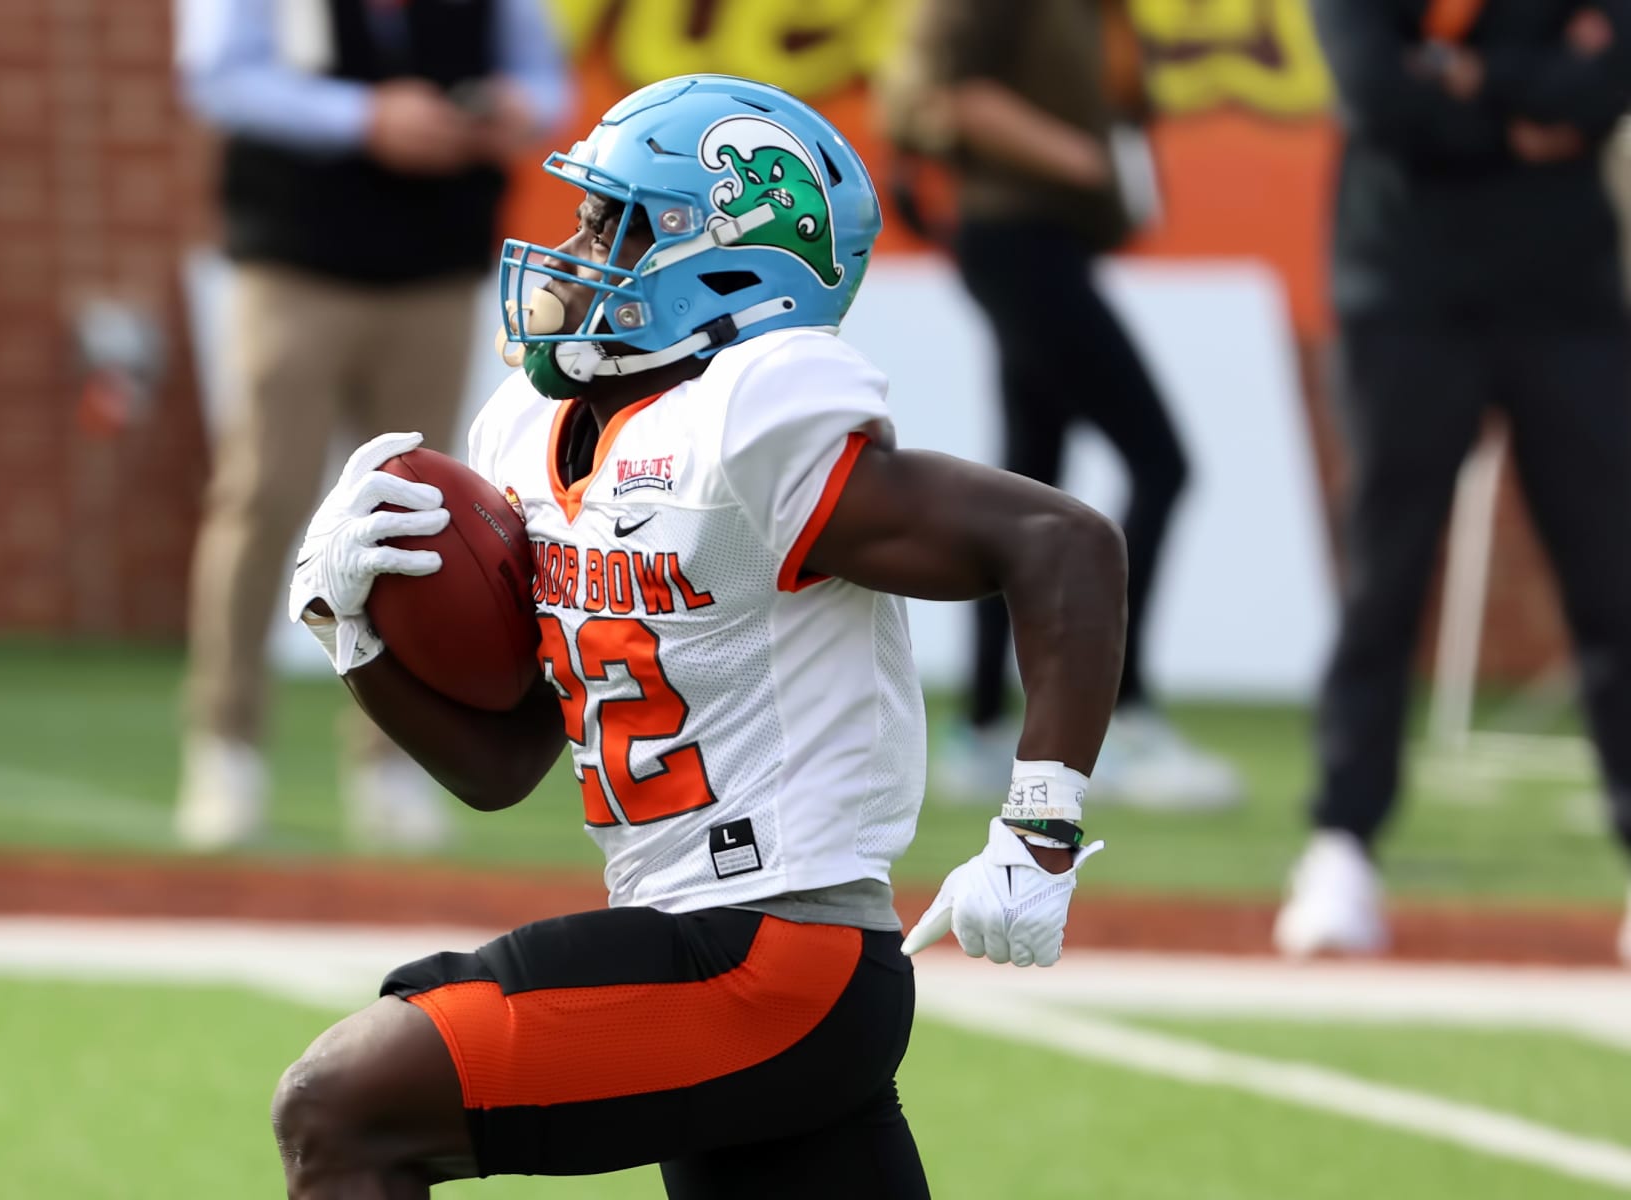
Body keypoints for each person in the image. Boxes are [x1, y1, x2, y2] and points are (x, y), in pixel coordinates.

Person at [273, 74, 1126, 1196]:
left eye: (612, 223)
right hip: (701, 949)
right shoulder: (530, 431)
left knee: (343, 1104)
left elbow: (1062, 545)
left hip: (777, 957)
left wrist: (1040, 832)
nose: (572, 247)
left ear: (722, 259)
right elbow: (503, 762)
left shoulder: (751, 419)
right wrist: (358, 638)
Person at [171, 0, 572, 851]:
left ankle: (393, 763)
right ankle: (224, 747)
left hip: (436, 264)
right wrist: (365, 118)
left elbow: (548, 82)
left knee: (424, 520)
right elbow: (218, 77)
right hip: (295, 260)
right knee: (262, 497)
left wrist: (511, 107)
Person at [1277, 1, 1631, 959]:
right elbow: (1382, 97)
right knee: (1383, 580)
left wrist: (1471, 73)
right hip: (1405, 293)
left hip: (1571, 302)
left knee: (1614, 582)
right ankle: (1342, 843)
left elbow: (1606, 87)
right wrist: (1527, 105)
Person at [879, 0, 1242, 811]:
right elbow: (932, 92)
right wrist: (1076, 156)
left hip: (1052, 243)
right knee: (1161, 464)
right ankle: (1123, 716)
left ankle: (981, 728)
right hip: (1016, 239)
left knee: (1027, 486)